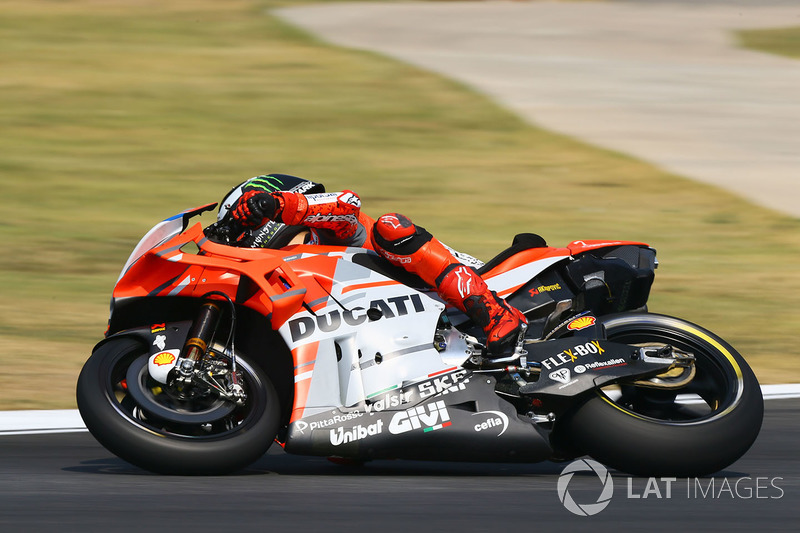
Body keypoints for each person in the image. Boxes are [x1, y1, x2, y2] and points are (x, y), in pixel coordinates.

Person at [224, 174, 527, 359]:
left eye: (243, 220)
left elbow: (347, 202)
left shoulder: (331, 227)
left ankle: (497, 315)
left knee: (390, 228)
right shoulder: (280, 279)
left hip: (476, 284)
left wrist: (273, 205)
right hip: (403, 335)